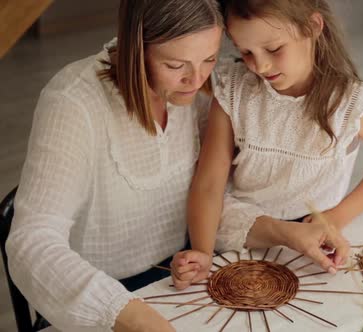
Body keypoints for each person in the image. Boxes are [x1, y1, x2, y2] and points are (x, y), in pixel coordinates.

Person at [6, 0, 223, 331]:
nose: (196, 79)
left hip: (181, 280)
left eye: (209, 58)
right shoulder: (73, 102)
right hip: (101, 299)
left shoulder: (197, 92)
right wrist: (128, 314)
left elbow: (219, 184)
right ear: (137, 48)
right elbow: (31, 243)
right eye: (175, 64)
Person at [171, 0, 363, 290]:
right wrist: (203, 254)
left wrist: (333, 218)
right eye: (245, 52)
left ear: (313, 26)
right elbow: (209, 184)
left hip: (314, 238)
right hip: (240, 229)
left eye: (273, 49)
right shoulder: (234, 89)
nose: (260, 65)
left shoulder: (356, 104)